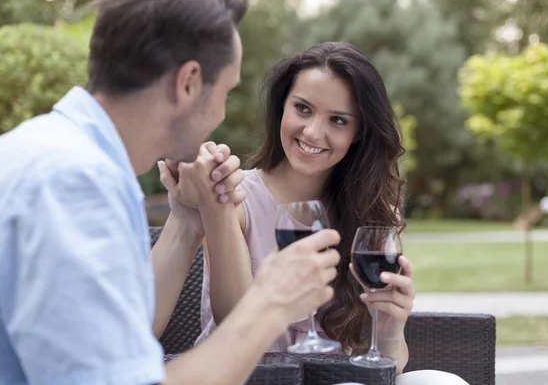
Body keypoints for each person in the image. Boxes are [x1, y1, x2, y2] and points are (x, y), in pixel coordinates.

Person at [0, 0, 341, 384]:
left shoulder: (57, 154)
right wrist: (271, 303)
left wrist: (187, 220)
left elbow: (118, 339)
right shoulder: (72, 184)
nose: (222, 113)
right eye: (227, 91)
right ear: (189, 82)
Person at [188, 42, 470, 385]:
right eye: (303, 109)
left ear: (358, 133)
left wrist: (389, 328)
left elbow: (388, 366)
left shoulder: (377, 216)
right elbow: (234, 322)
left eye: (337, 120)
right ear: (282, 107)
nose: (312, 132)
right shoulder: (235, 198)